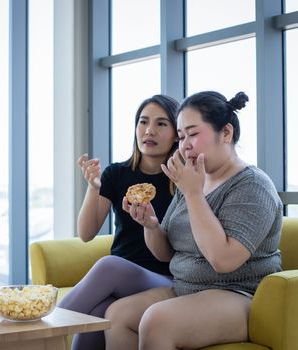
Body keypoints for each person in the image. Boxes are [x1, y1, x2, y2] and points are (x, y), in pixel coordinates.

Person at [104, 91, 283, 350]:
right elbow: (165, 254)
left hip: (239, 295)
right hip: (186, 287)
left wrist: (193, 193)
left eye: (193, 134)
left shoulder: (252, 185)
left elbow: (223, 259)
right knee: (117, 315)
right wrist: (151, 225)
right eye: (181, 137)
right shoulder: (194, 180)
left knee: (157, 321)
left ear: (226, 133)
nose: (184, 144)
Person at [58, 94, 180, 350]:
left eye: (161, 124)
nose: (149, 130)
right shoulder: (116, 174)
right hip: (119, 283)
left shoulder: (182, 181)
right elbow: (86, 233)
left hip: (164, 280)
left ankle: (40, 329)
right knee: (96, 317)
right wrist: (94, 188)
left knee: (110, 265)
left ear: (176, 134)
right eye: (143, 122)